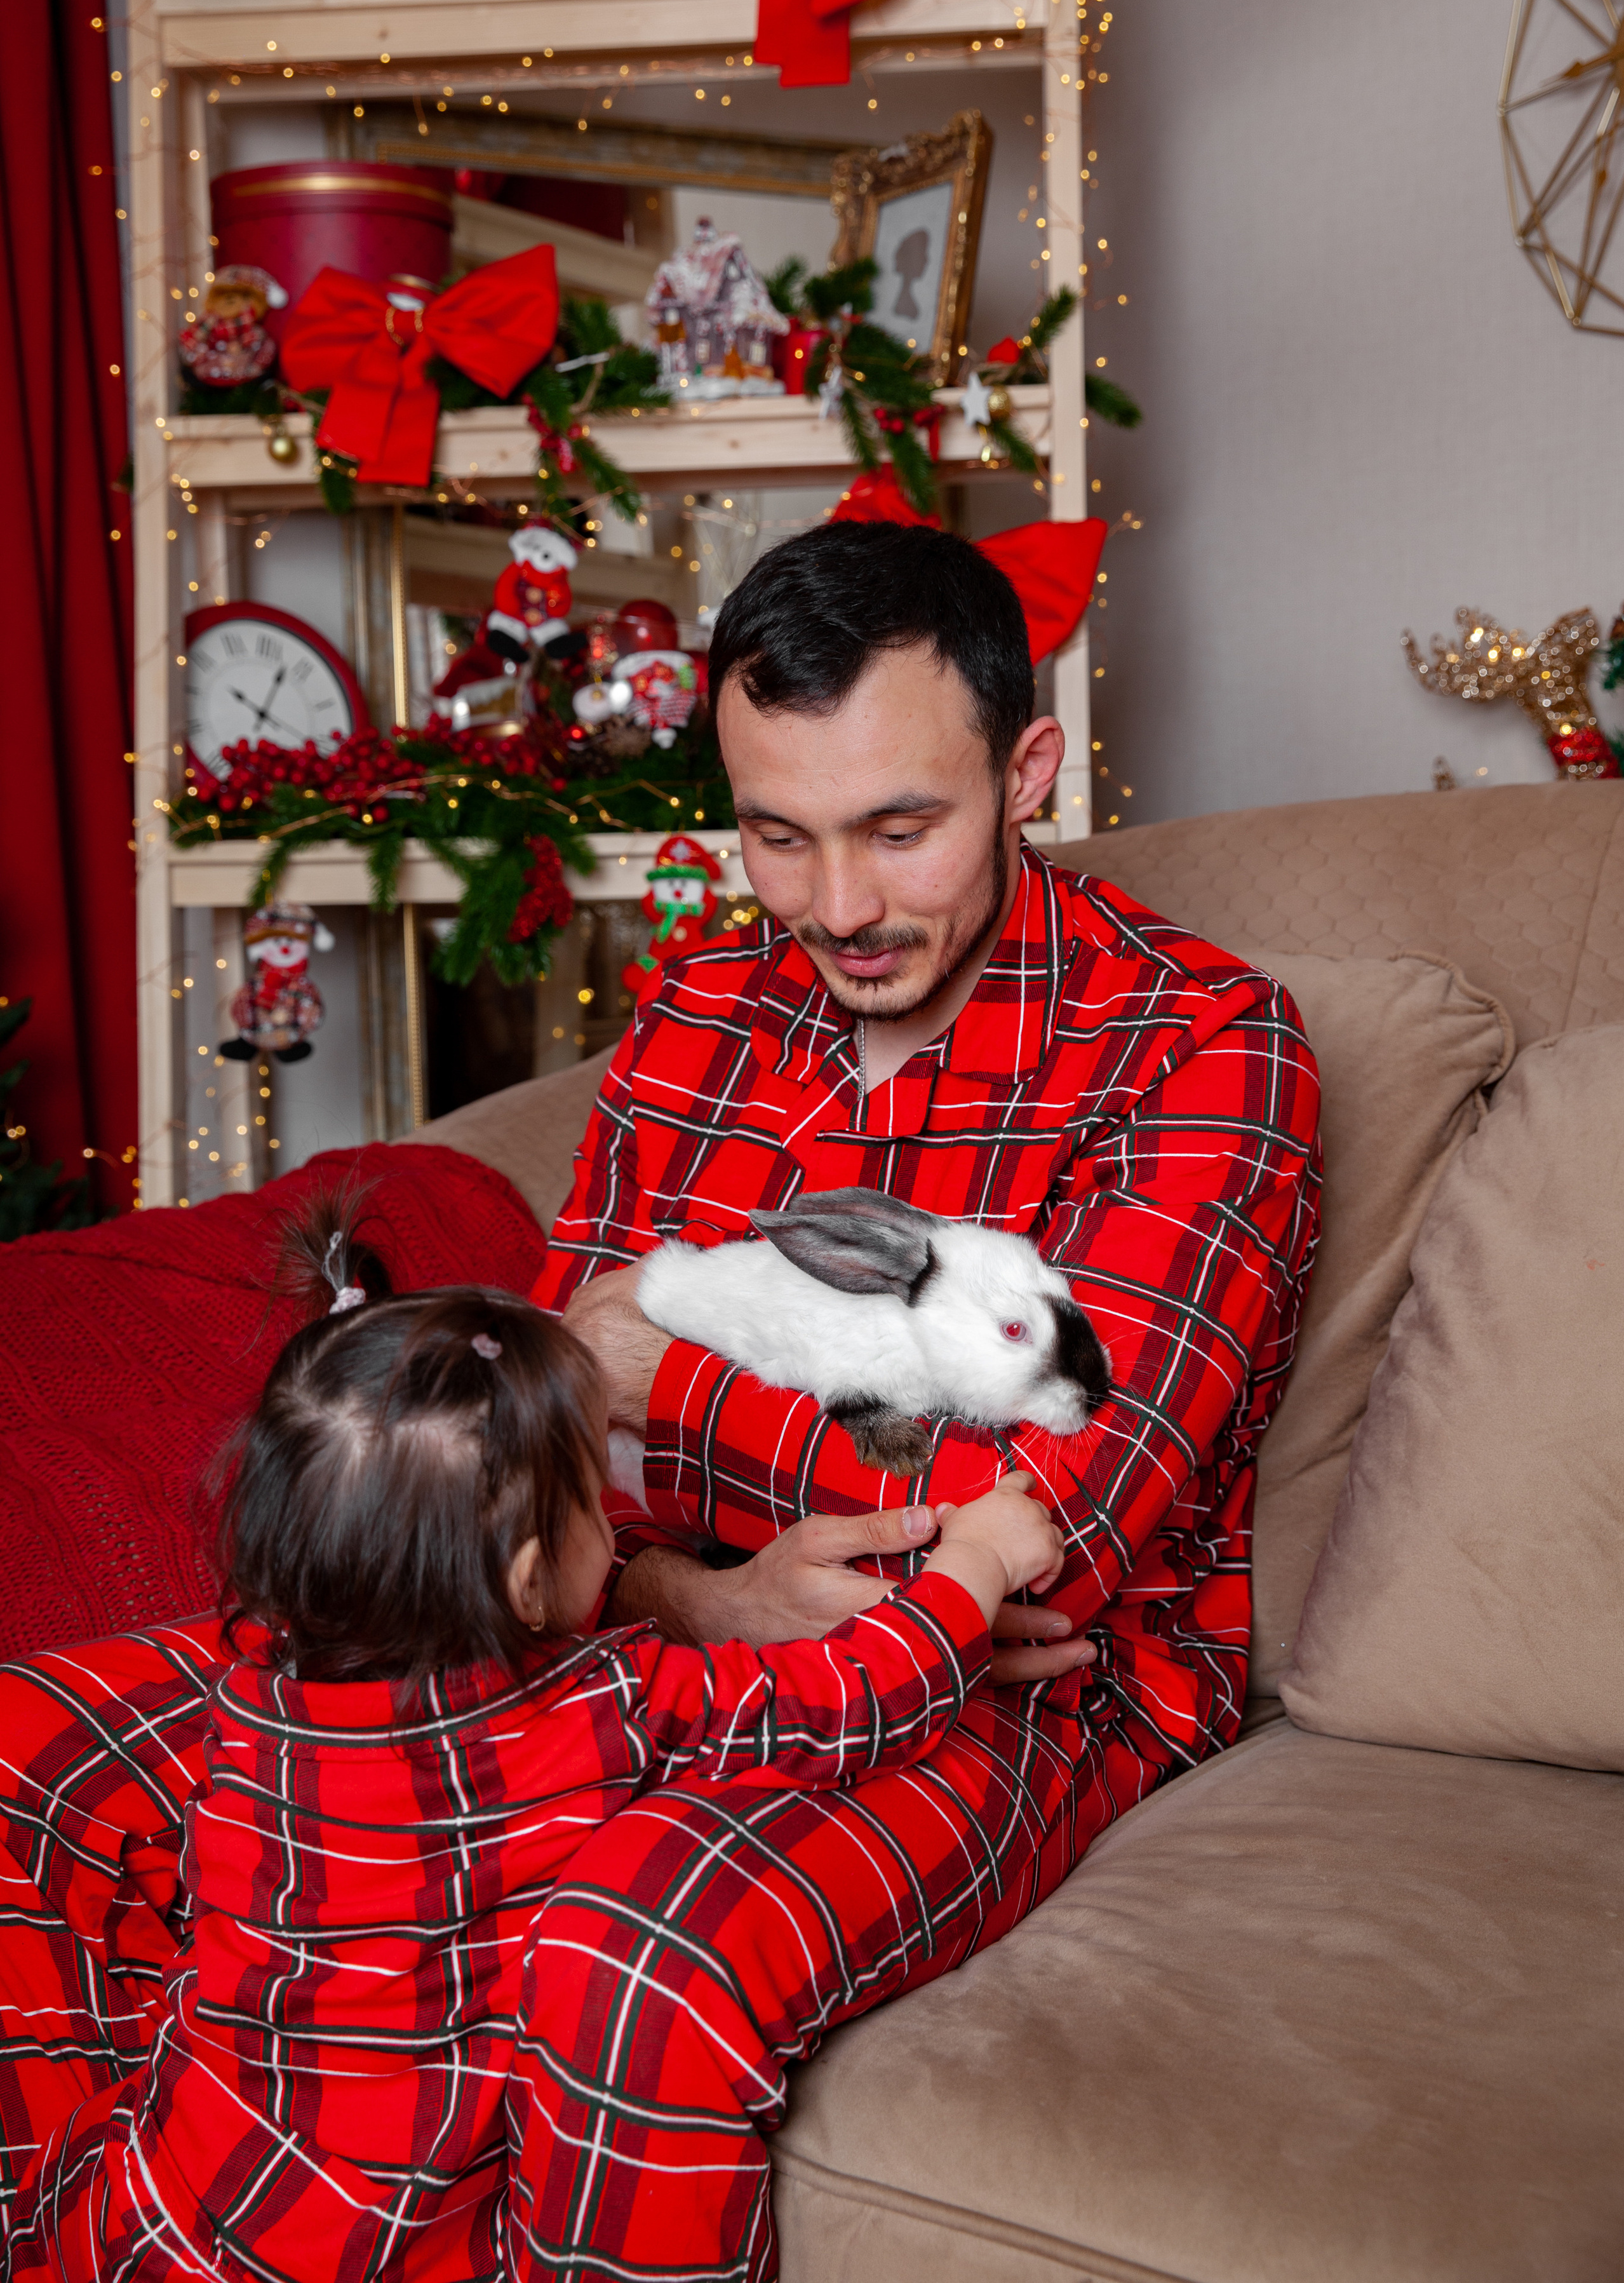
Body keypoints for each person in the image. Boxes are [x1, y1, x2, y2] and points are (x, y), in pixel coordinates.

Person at [0, 518, 1319, 2282]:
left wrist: (647, 1356)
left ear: (1029, 770)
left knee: (632, 1958)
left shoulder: (1200, 1045)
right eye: (780, 833)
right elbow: (525, 1436)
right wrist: (683, 1585)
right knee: (28, 1756)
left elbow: (1045, 1512)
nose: (837, 904)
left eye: (898, 829)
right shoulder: (702, 1004)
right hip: (634, 1610)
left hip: (1020, 1683)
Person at [1, 1195, 1062, 2277]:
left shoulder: (253, 1695)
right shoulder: (593, 1708)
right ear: (526, 1582)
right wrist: (967, 1573)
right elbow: (846, 1697)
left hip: (175, 2180)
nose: (617, 1521)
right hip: (367, 2239)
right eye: (597, 1504)